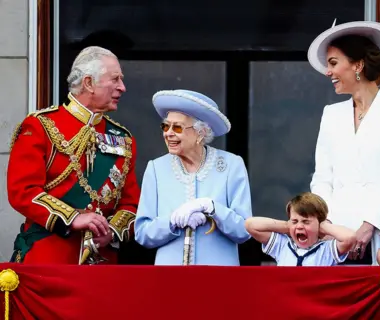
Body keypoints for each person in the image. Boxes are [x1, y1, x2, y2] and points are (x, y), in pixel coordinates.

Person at [7, 46, 140, 264]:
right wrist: (73, 218)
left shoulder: (123, 139)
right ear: (89, 83)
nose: (122, 88)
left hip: (102, 264)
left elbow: (131, 204)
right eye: (115, 79)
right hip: (49, 259)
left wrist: (112, 232)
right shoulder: (41, 126)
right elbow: (23, 191)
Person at [307, 21, 380, 265]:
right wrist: (326, 224)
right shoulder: (331, 113)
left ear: (358, 65)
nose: (328, 72)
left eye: (334, 63)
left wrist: (371, 224)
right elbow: (322, 178)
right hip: (334, 239)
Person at [134, 89, 252, 265]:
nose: (168, 133)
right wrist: (172, 221)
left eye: (178, 127)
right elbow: (142, 233)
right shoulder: (156, 168)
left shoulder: (231, 165)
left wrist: (213, 209)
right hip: (170, 278)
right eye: (165, 126)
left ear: (201, 133)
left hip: (218, 278)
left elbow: (244, 231)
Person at [245, 192, 355, 266]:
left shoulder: (326, 250)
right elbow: (250, 225)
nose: (299, 226)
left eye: (306, 222)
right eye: (295, 221)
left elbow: (350, 237)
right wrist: (286, 226)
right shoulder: (282, 245)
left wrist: (324, 226)